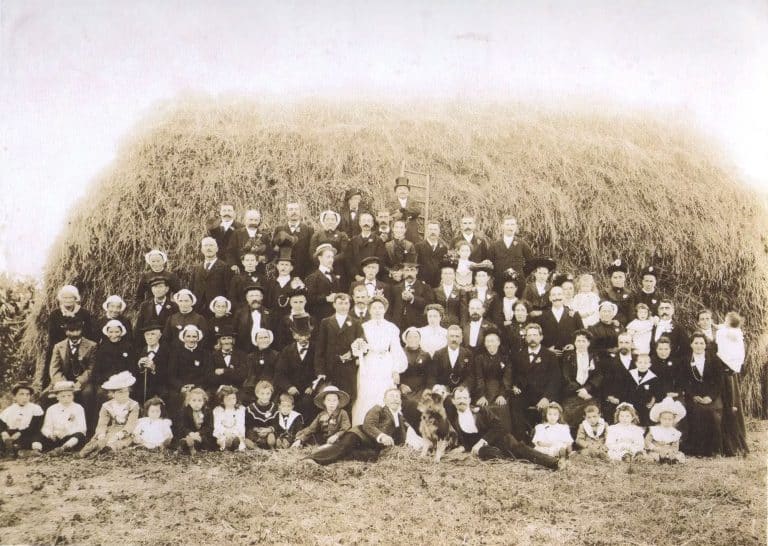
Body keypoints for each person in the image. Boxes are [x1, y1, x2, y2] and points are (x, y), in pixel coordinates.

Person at [444, 386, 561, 470]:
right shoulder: (455, 421)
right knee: (488, 453)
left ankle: (554, 463)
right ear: (453, 401)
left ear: (469, 400)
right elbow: (466, 441)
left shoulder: (481, 411)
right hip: (487, 450)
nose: (462, 401)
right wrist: (463, 448)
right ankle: (510, 459)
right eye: (459, 398)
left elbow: (499, 427)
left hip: (500, 439)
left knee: (521, 450)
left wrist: (481, 441)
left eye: (464, 398)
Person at [309, 388, 410, 464]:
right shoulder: (378, 409)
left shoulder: (400, 418)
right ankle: (313, 459)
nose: (395, 399)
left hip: (371, 444)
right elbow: (368, 425)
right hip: (358, 435)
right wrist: (382, 436)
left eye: (397, 397)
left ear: (400, 401)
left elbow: (401, 438)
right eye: (391, 396)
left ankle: (329, 451)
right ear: (385, 400)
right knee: (344, 447)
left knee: (371, 457)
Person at [352, 296, 408, 425]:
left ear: (385, 310)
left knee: (385, 390)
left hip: (386, 363)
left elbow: (396, 349)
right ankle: (363, 425)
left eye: (380, 308)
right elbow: (359, 345)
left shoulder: (392, 327)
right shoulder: (363, 326)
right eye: (374, 308)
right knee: (367, 391)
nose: (377, 311)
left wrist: (395, 370)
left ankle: (387, 426)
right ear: (369, 310)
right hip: (369, 362)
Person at [505, 323, 561, 440]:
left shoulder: (550, 356)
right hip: (524, 393)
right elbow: (514, 375)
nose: (532, 338)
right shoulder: (518, 355)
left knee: (550, 409)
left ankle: (545, 440)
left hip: (543, 394)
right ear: (525, 338)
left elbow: (555, 380)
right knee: (514, 403)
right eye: (529, 335)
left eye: (535, 335)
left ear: (541, 337)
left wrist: (546, 398)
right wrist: (514, 386)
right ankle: (521, 441)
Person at [314, 293, 364, 409]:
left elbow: (362, 344)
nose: (343, 306)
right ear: (334, 305)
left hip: (348, 370)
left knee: (348, 399)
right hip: (330, 368)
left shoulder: (356, 323)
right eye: (340, 303)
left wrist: (352, 354)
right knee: (330, 400)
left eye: (346, 303)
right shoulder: (325, 322)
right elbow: (320, 349)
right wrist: (320, 371)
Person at [680, 332, 724, 456]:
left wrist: (710, 397)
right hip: (694, 395)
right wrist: (693, 395)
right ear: (691, 345)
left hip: (711, 395)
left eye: (701, 343)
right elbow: (684, 381)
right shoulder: (686, 360)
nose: (699, 346)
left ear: (705, 345)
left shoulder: (714, 359)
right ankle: (697, 450)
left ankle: (714, 450)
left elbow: (719, 381)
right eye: (696, 343)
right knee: (696, 412)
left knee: (711, 412)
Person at [79, 371, 141, 457]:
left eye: (126, 391)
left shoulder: (133, 405)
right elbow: (102, 422)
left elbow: (131, 423)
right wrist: (101, 433)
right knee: (102, 438)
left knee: (123, 441)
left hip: (126, 430)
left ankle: (108, 449)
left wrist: (121, 434)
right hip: (113, 428)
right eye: (120, 392)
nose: (124, 395)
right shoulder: (107, 406)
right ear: (113, 394)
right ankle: (92, 448)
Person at [45, 285, 96, 385]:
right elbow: (53, 336)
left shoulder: (84, 313)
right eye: (65, 297)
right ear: (60, 299)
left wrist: (79, 344)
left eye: (70, 297)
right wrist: (63, 347)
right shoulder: (55, 314)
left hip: (80, 346)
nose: (67, 300)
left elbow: (89, 333)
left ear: (75, 298)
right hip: (61, 348)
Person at [47, 317, 97, 414]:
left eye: (77, 330)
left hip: (83, 382)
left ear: (81, 330)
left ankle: (86, 424)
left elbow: (91, 368)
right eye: (71, 330)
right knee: (45, 397)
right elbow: (54, 369)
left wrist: (80, 382)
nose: (74, 334)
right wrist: (64, 384)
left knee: (87, 394)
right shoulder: (59, 346)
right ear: (66, 331)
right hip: (63, 381)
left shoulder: (92, 345)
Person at [273, 315, 318, 420]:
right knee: (285, 402)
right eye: (300, 335)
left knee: (307, 403)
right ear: (294, 335)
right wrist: (288, 387)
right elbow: (279, 373)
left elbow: (320, 371)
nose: (303, 338)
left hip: (309, 389)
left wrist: (312, 386)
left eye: (306, 335)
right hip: (292, 388)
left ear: (310, 335)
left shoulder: (316, 349)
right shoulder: (287, 351)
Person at [717, 311, 748, 456]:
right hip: (731, 368)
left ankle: (730, 443)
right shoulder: (737, 333)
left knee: (730, 405)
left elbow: (724, 345)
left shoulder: (726, 333)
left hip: (727, 370)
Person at [560, 330, 603, 428]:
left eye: (583, 341)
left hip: (589, 393)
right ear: (574, 343)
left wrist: (586, 389)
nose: (581, 344)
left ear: (588, 343)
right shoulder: (568, 356)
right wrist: (578, 390)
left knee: (593, 413)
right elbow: (565, 376)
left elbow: (598, 375)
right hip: (572, 393)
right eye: (578, 341)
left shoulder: (594, 356)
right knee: (568, 417)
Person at [167, 325, 212, 414]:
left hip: (200, 386)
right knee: (175, 399)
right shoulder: (175, 353)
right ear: (183, 338)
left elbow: (208, 374)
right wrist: (181, 387)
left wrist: (195, 386)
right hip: (181, 387)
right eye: (188, 336)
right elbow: (171, 375)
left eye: (194, 336)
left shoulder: (205, 353)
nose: (191, 339)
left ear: (198, 338)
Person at [473, 331, 512, 432]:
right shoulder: (479, 358)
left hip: (501, 390)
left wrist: (502, 395)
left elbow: (507, 378)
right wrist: (481, 395)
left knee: (502, 408)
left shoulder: (505, 358)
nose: (490, 344)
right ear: (485, 343)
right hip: (484, 391)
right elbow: (479, 378)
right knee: (482, 409)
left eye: (493, 341)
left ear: (498, 342)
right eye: (488, 341)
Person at [40, 381, 87, 455]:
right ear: (57, 397)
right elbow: (46, 427)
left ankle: (63, 448)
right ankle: (37, 450)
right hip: (56, 438)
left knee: (80, 436)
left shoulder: (78, 408)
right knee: (41, 436)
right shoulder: (51, 409)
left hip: (71, 437)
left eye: (69, 395)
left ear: (73, 396)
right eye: (63, 396)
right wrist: (50, 434)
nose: (66, 399)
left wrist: (67, 432)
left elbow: (82, 428)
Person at [270, 202, 314, 280]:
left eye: (296, 209)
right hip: (283, 271)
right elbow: (274, 249)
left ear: (300, 212)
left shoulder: (308, 230)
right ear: (286, 213)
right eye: (291, 209)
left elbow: (311, 253)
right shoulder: (279, 229)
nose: (294, 212)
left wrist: (309, 272)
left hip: (302, 271)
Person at [536, 286, 584, 358]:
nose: (556, 297)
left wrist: (574, 346)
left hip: (570, 358)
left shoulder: (574, 315)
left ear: (564, 296)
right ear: (550, 298)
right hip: (549, 359)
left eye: (559, 294)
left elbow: (583, 335)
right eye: (554, 295)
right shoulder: (542, 317)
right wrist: (546, 350)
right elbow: (536, 338)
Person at [190, 237, 233, 314]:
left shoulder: (225, 267)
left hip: (217, 310)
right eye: (206, 246)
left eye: (211, 245)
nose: (208, 248)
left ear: (217, 249)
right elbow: (191, 289)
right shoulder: (196, 268)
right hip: (198, 310)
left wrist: (226, 308)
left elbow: (229, 290)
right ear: (202, 250)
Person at [427, 325, 475, 394]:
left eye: (457, 336)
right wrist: (438, 388)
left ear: (461, 339)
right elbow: (432, 375)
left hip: (461, 391)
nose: (454, 339)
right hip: (443, 391)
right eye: (451, 336)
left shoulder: (468, 354)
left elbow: (471, 376)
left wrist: (463, 387)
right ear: (447, 337)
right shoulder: (438, 354)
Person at [0, 382, 44, 457]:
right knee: (4, 439)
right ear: (15, 396)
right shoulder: (9, 410)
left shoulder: (35, 409)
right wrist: (4, 433)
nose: (25, 397)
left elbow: (35, 427)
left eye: (27, 394)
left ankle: (19, 450)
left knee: (37, 438)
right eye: (21, 394)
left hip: (28, 433)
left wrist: (19, 433)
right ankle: (15, 450)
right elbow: (2, 425)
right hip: (12, 434)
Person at [487, 216, 532, 284]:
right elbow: (489, 264)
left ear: (516, 226)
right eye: (507, 224)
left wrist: (521, 274)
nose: (510, 227)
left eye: (512, 224)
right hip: (499, 283)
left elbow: (531, 262)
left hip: (518, 283)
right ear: (502, 226)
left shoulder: (522, 244)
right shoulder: (494, 245)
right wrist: (497, 275)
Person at [389, 262, 433, 330]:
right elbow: (391, 308)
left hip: (417, 325)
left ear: (417, 271)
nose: (409, 273)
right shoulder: (395, 288)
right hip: (398, 325)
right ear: (403, 272)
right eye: (407, 270)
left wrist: (413, 298)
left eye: (412, 270)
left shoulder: (425, 287)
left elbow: (429, 305)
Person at [92, 320, 136, 387]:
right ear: (107, 333)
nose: (114, 335)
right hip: (106, 381)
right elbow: (97, 370)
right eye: (111, 332)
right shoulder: (102, 347)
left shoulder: (128, 347)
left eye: (117, 332)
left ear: (121, 332)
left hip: (125, 381)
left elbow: (132, 367)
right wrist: (106, 380)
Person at [309, 211, 350, 282]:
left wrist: (330, 261)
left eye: (332, 219)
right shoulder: (317, 235)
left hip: (337, 268)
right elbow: (312, 252)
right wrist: (322, 263)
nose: (330, 222)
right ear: (323, 221)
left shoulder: (342, 235)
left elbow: (344, 253)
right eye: (327, 219)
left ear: (337, 221)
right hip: (320, 267)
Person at [134, 277, 178, 343]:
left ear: (167, 289)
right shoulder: (144, 306)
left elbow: (175, 330)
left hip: (168, 345)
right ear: (151, 289)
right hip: (149, 344)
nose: (157, 290)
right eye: (155, 287)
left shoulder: (174, 306)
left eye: (160, 287)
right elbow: (138, 328)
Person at [602, 332, 635, 419]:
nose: (623, 345)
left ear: (632, 344)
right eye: (621, 342)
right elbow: (604, 382)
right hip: (615, 403)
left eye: (627, 342)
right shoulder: (609, 361)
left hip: (635, 403)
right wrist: (608, 396)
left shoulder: (638, 360)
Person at [305, 244, 343, 319]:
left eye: (332, 257)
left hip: (334, 317)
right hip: (319, 317)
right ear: (320, 258)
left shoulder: (334, 277)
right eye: (328, 257)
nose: (331, 260)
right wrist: (326, 298)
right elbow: (309, 299)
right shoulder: (312, 277)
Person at [226, 209, 269, 273]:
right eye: (251, 219)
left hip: (258, 271)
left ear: (259, 221)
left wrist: (264, 258)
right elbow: (230, 252)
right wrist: (233, 264)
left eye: (256, 220)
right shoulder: (237, 233)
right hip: (240, 270)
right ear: (245, 220)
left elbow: (269, 252)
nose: (253, 222)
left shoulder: (264, 235)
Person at [645, 397, 686, 463]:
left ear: (673, 420)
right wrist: (655, 448)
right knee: (652, 456)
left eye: (669, 419)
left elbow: (675, 446)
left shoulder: (674, 432)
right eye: (664, 419)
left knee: (678, 455)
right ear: (660, 419)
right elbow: (647, 441)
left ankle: (669, 458)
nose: (667, 421)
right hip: (656, 450)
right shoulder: (654, 430)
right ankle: (661, 458)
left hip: (668, 450)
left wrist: (671, 451)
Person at [624, 353, 662, 426]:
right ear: (636, 363)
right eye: (640, 362)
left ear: (650, 364)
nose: (642, 365)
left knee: (643, 424)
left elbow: (657, 393)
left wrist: (653, 400)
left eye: (645, 363)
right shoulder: (630, 374)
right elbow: (625, 389)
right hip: (630, 404)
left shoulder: (653, 378)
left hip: (644, 407)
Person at [135, 323, 170, 403]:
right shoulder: (140, 351)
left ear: (159, 336)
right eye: (147, 334)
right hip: (143, 387)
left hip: (160, 387)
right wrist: (140, 367)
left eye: (153, 334)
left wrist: (154, 368)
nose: (150, 337)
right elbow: (135, 374)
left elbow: (169, 374)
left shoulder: (166, 351)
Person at [348, 214, 387, 283]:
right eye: (364, 220)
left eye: (369, 221)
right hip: (357, 279)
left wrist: (371, 276)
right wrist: (356, 276)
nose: (366, 223)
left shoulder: (378, 241)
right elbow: (349, 261)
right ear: (359, 223)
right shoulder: (353, 241)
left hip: (374, 278)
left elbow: (381, 261)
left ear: (372, 224)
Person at [232, 285, 272, 353]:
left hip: (264, 348)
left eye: (257, 295)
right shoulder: (239, 313)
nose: (254, 299)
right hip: (245, 349)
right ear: (247, 298)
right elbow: (234, 331)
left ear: (261, 297)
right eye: (251, 296)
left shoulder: (269, 313)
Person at [175, 387, 214, 454]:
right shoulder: (185, 411)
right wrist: (190, 433)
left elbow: (209, 427)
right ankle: (186, 445)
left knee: (205, 440)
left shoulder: (208, 412)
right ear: (189, 401)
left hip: (201, 435)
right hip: (189, 434)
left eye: (199, 400)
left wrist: (198, 433)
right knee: (183, 438)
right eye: (194, 400)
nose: (197, 403)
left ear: (204, 402)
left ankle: (191, 446)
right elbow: (182, 426)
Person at [244, 329, 279, 399]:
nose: (263, 340)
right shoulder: (250, 357)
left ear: (270, 339)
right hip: (254, 388)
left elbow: (277, 374)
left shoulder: (276, 355)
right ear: (256, 341)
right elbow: (251, 375)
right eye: (260, 338)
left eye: (266, 337)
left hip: (272, 389)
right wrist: (257, 387)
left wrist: (268, 386)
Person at [461, 260, 498, 325]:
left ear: (488, 278)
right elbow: (464, 312)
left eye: (483, 276)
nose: (481, 278)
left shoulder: (493, 294)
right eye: (479, 276)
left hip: (487, 324)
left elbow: (494, 314)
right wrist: (465, 326)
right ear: (475, 278)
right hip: (471, 323)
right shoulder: (469, 292)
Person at [399, 327, 431, 398]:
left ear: (420, 339)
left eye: (415, 337)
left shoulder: (425, 355)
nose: (413, 339)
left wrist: (427, 389)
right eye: (410, 337)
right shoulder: (400, 353)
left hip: (421, 390)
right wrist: (400, 385)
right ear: (406, 339)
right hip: (403, 389)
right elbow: (395, 372)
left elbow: (430, 375)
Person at [245, 380, 278, 449]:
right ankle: (257, 449)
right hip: (255, 433)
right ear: (257, 394)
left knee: (271, 438)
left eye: (268, 393)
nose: (265, 396)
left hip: (269, 432)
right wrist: (258, 430)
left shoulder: (275, 407)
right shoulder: (251, 408)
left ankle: (271, 448)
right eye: (262, 393)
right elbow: (248, 425)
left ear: (271, 394)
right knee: (248, 439)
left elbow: (276, 424)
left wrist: (268, 430)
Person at [213, 385, 246, 451]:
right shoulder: (218, 410)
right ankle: (225, 446)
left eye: (233, 398)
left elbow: (240, 424)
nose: (232, 401)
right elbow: (217, 425)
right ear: (222, 401)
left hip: (236, 433)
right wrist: (225, 432)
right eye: (228, 399)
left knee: (238, 439)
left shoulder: (240, 409)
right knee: (221, 439)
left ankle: (236, 444)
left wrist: (233, 433)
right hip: (223, 433)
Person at [415, 221, 448, 288]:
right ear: (426, 231)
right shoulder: (418, 246)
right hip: (423, 282)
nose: (433, 232)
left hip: (438, 283)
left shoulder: (443, 248)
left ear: (439, 231)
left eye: (435, 229)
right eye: (430, 229)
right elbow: (415, 265)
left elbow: (444, 266)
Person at [390, 176, 423, 243]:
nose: (403, 191)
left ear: (408, 192)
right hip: (396, 231)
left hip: (410, 233)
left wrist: (403, 210)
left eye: (405, 189)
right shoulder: (391, 203)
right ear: (396, 192)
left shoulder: (413, 202)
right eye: (400, 189)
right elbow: (390, 213)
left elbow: (417, 211)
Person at [601, 259, 633, 326]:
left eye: (620, 277)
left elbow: (630, 315)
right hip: (609, 325)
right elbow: (603, 312)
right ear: (611, 279)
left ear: (624, 278)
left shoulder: (629, 294)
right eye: (615, 277)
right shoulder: (606, 293)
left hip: (625, 326)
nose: (618, 280)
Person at [433, 257, 462, 327]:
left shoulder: (460, 291)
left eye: (450, 273)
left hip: (455, 325)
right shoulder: (435, 291)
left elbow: (463, 312)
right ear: (441, 275)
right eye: (445, 273)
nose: (448, 276)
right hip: (439, 324)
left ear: (454, 275)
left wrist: (461, 326)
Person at [492, 268, 521, 335]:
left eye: (511, 288)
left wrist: (512, 323)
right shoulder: (498, 302)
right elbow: (495, 317)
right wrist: (502, 323)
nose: (509, 290)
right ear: (503, 289)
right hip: (501, 332)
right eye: (506, 288)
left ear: (516, 289)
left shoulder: (519, 302)